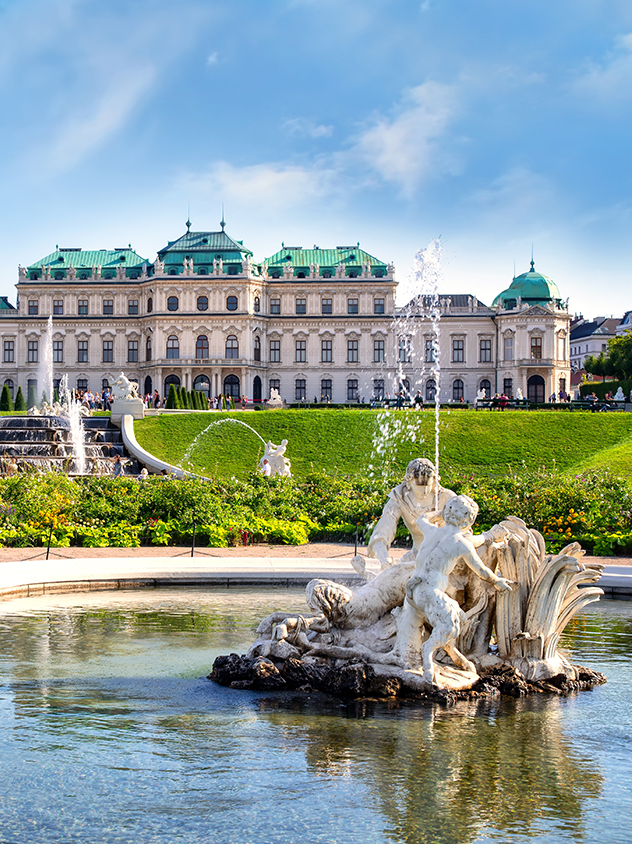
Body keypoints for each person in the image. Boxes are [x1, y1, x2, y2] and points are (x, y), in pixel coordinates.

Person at [395, 495, 513, 684]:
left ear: (447, 512)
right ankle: (429, 667)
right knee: (451, 626)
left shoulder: (432, 530)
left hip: (413, 591)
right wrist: (497, 581)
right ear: (469, 520)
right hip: (430, 593)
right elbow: (482, 570)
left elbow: (421, 519)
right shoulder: (461, 544)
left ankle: (456, 658)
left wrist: (440, 514)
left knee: (442, 625)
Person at [363, 458, 455, 572]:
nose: (425, 491)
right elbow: (380, 535)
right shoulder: (399, 498)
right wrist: (384, 559)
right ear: (409, 482)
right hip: (417, 556)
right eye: (419, 486)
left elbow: (464, 533)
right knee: (391, 577)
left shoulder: (447, 498)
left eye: (428, 485)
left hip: (447, 557)